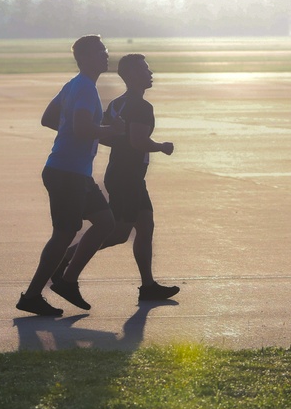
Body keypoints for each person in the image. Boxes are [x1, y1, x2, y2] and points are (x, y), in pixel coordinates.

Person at [56, 53, 179, 302]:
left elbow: (104, 136)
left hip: (124, 175)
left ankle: (148, 286)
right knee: (118, 233)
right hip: (128, 179)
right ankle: (62, 263)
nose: (150, 73)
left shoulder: (116, 104)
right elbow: (138, 142)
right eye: (145, 69)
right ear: (133, 75)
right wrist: (162, 146)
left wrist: (122, 142)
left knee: (145, 226)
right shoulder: (142, 107)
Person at [16, 35, 124, 316]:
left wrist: (86, 131)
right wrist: (108, 130)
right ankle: (32, 295)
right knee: (63, 234)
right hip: (67, 172)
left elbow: (50, 118)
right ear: (85, 58)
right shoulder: (85, 88)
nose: (106, 55)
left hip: (74, 171)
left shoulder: (75, 85)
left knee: (104, 222)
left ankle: (67, 280)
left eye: (105, 50)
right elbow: (81, 129)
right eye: (101, 51)